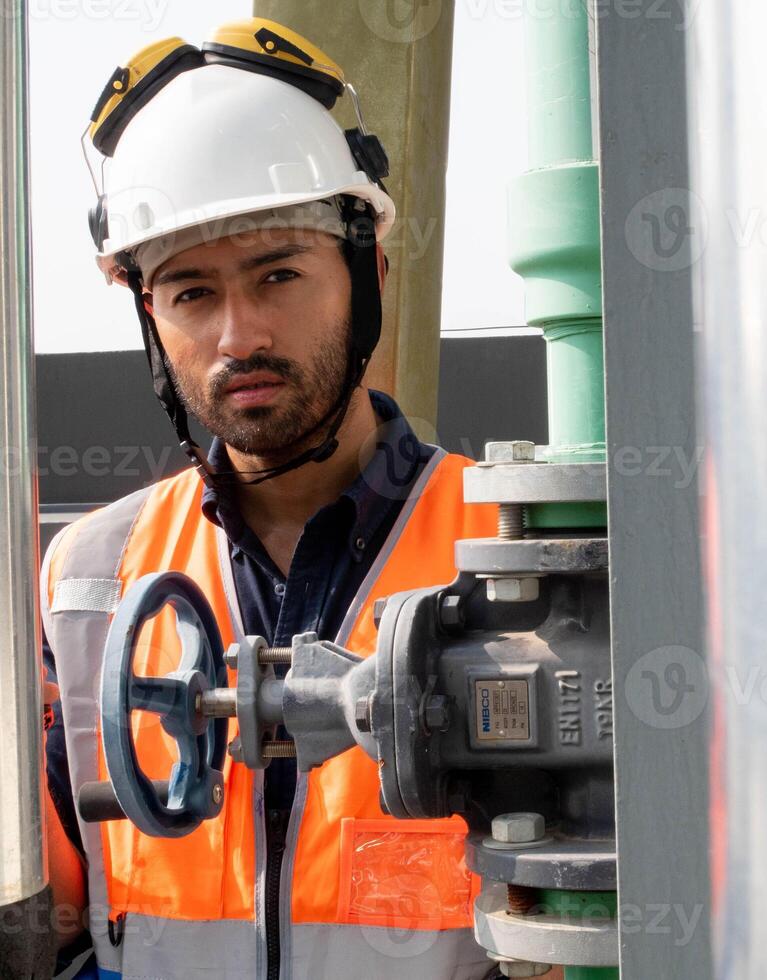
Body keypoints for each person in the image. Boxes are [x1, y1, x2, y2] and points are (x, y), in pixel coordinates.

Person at [40, 18, 508, 979]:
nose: (237, 335)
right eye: (190, 293)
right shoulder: (89, 575)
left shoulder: (511, 548)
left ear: (368, 275)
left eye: (279, 274)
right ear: (149, 317)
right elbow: (51, 908)